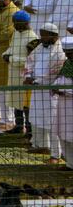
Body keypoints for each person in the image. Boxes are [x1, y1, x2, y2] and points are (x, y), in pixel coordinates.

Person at [24, 23, 64, 160]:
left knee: (52, 122)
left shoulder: (60, 51)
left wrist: (35, 80)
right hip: (37, 90)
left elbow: (54, 73)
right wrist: (28, 76)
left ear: (54, 35)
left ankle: (55, 154)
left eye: (44, 35)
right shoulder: (40, 47)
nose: (41, 38)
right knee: (36, 118)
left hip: (51, 92)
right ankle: (40, 145)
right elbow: (29, 61)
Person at [2, 10, 35, 134]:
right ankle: (18, 125)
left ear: (25, 23)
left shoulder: (33, 38)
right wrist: (5, 54)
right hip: (13, 72)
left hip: (24, 74)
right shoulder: (16, 33)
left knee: (25, 102)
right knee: (15, 100)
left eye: (16, 23)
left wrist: (11, 59)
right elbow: (11, 48)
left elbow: (30, 60)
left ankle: (29, 128)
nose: (14, 25)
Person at [52, 36, 73, 169]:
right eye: (66, 53)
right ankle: (70, 163)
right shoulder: (66, 63)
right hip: (62, 105)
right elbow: (59, 78)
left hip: (70, 102)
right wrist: (55, 87)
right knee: (64, 135)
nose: (68, 55)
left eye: (70, 53)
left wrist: (65, 91)